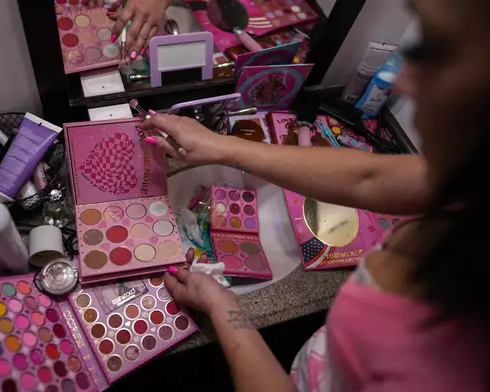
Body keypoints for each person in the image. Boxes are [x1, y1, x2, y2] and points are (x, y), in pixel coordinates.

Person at [139, 0, 490, 390]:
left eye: (432, 50)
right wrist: (222, 147)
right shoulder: (466, 185)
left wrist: (226, 310)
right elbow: (369, 178)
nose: (401, 81)